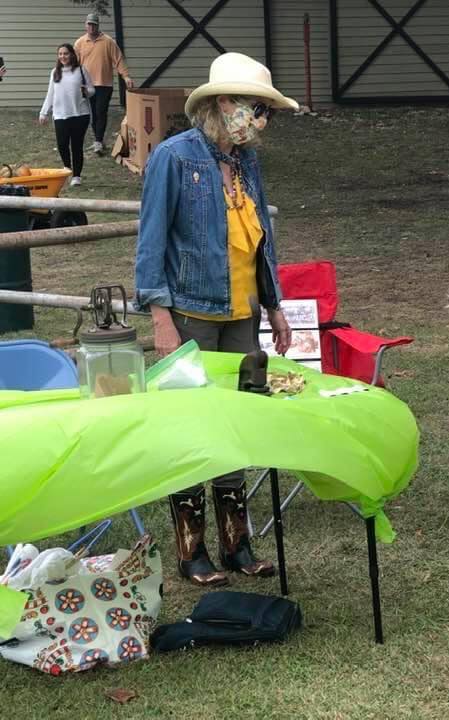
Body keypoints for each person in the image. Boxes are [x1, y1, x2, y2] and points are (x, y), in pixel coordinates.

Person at [134, 52, 298, 587]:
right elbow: (151, 240)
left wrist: (274, 306)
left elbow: (261, 244)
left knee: (234, 426)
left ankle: (238, 545)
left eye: (264, 110)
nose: (261, 120)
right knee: (192, 428)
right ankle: (192, 550)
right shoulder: (174, 157)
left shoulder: (247, 161)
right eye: (256, 108)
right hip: (191, 315)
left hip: (242, 317)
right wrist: (161, 319)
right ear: (223, 103)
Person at [74, 13, 133, 155]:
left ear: (98, 25)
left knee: (101, 111)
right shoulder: (79, 43)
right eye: (89, 24)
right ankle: (98, 140)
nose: (91, 27)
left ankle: (98, 141)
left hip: (104, 84)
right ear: (85, 25)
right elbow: (75, 64)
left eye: (94, 24)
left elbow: (118, 60)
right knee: (92, 114)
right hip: (86, 85)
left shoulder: (108, 41)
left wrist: (126, 76)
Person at [39, 44, 95, 187]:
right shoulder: (55, 72)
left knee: (76, 146)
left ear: (72, 55)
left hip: (80, 114)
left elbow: (92, 89)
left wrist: (87, 91)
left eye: (66, 53)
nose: (63, 56)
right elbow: (50, 94)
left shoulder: (81, 70)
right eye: (60, 54)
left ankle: (76, 176)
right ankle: (67, 168)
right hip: (60, 115)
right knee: (62, 144)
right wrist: (44, 112)